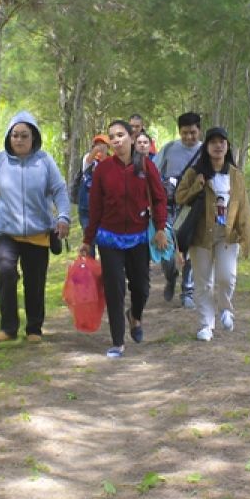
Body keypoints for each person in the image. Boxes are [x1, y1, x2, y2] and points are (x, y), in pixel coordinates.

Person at [0, 111, 70, 343]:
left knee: (35, 281)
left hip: (38, 233)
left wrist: (64, 217)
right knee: (6, 273)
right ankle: (8, 328)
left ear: (34, 137)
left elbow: (59, 190)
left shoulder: (44, 161)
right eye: (14, 135)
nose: (19, 140)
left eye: (24, 135)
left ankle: (33, 329)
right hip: (5, 233)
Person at [79, 119, 168, 358]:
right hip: (109, 239)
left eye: (120, 135)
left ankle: (135, 316)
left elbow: (159, 198)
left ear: (131, 137)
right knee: (114, 289)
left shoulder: (146, 166)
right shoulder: (103, 170)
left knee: (141, 287)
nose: (116, 140)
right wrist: (88, 240)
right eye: (112, 137)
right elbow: (94, 207)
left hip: (139, 237)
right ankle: (117, 341)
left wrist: (160, 228)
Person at [175, 126, 250, 342]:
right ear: (206, 147)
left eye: (222, 142)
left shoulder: (235, 175)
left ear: (227, 147)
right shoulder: (195, 173)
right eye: (213, 142)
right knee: (203, 282)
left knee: (227, 277)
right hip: (201, 235)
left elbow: (244, 206)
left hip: (227, 235)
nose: (218, 146)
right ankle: (205, 325)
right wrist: (196, 187)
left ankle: (226, 309)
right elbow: (179, 198)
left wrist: (247, 235)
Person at [154, 111, 202, 308]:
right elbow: (153, 171)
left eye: (192, 132)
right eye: (184, 133)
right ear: (179, 132)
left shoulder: (205, 151)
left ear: (199, 130)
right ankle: (170, 274)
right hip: (169, 205)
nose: (189, 137)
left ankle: (187, 291)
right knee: (165, 244)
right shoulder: (169, 149)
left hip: (191, 206)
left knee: (190, 246)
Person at [73, 133, 110, 258]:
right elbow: (88, 161)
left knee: (104, 242)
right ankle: (91, 271)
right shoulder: (87, 159)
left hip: (103, 209)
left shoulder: (110, 161)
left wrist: (104, 154)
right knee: (90, 241)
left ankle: (106, 272)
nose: (99, 147)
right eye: (97, 144)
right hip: (86, 208)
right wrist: (96, 151)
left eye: (103, 144)